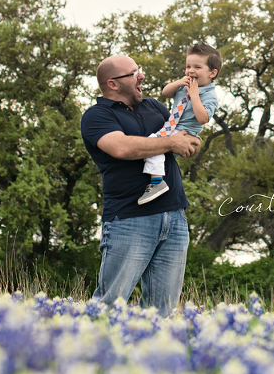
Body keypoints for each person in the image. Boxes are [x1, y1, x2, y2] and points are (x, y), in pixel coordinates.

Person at [80, 54, 201, 317]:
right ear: (112, 84)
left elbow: (186, 138)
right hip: (130, 219)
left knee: (162, 313)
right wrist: (171, 142)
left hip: (175, 216)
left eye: (139, 69)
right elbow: (121, 148)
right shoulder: (97, 115)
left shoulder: (154, 106)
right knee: (108, 306)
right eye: (134, 73)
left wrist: (191, 140)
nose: (142, 76)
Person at [138, 43, 221, 205]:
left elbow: (203, 118)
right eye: (188, 66)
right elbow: (165, 92)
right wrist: (178, 83)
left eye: (197, 67)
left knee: (153, 144)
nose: (191, 71)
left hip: (185, 132)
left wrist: (194, 96)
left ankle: (157, 182)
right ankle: (157, 179)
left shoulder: (210, 96)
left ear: (212, 73)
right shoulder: (184, 86)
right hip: (171, 127)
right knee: (153, 147)